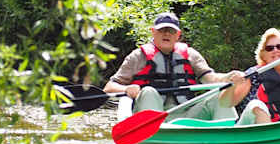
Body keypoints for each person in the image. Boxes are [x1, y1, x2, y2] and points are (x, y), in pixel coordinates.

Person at [104, 12, 246, 120]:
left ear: (178, 35)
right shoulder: (137, 57)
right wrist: (127, 88)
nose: (166, 34)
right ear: (153, 32)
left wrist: (228, 77)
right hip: (150, 118)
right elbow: (109, 88)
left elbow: (210, 79)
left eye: (171, 31)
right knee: (148, 92)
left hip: (186, 114)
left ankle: (228, 134)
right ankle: (156, 134)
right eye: (162, 30)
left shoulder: (191, 55)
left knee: (217, 97)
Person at [232, 28, 280, 124]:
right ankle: (269, 135)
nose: (275, 50)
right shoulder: (253, 74)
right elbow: (230, 102)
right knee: (256, 105)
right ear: (263, 55)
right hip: (250, 129)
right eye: (269, 48)